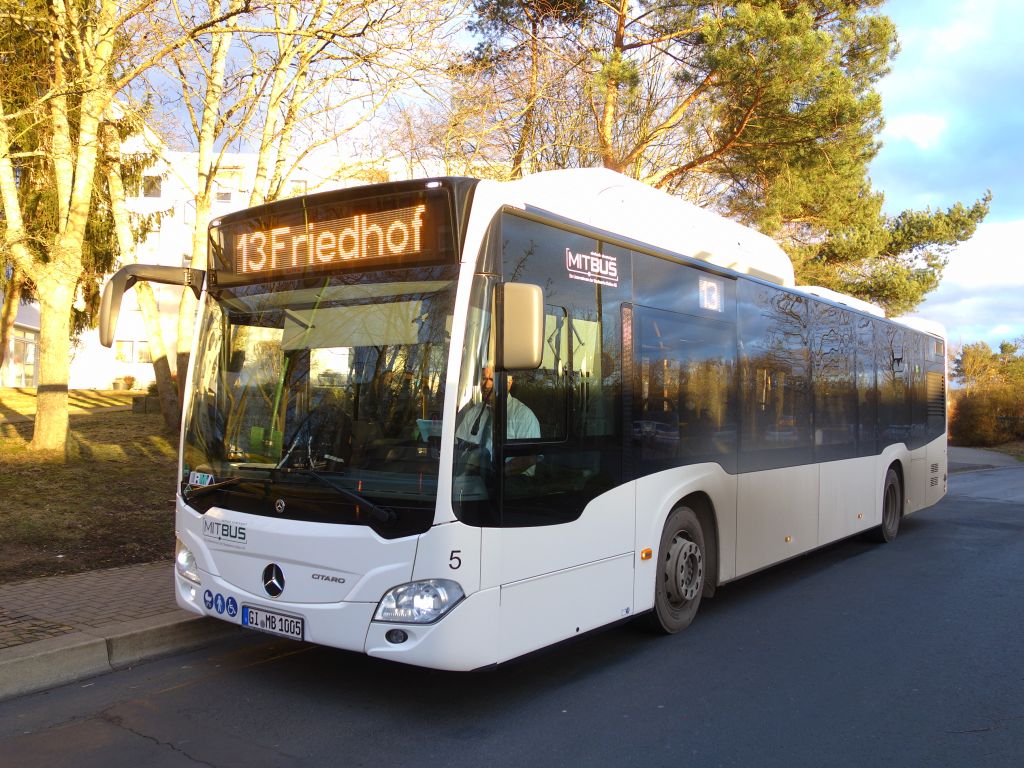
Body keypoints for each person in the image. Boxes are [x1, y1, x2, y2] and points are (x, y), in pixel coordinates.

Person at [455, 366, 540, 475]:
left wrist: (496, 474)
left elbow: (529, 458)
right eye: (484, 379)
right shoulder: (473, 413)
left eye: (492, 380)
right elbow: (458, 447)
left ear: (508, 384)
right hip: (472, 479)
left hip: (509, 484)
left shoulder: (523, 416)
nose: (486, 385)